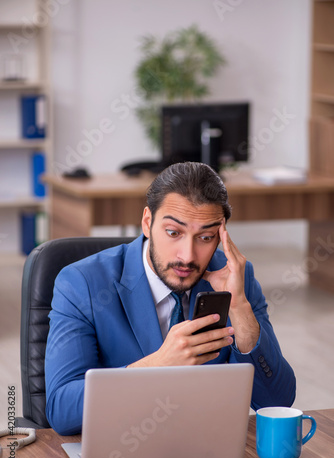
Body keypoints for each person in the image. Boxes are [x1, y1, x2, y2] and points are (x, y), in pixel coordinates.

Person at [45, 162, 296, 435]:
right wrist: (155, 366)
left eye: (205, 237)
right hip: (119, 447)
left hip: (205, 449)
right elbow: (62, 410)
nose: (187, 256)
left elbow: (276, 402)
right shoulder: (82, 284)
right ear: (147, 222)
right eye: (173, 233)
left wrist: (239, 307)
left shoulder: (235, 278)